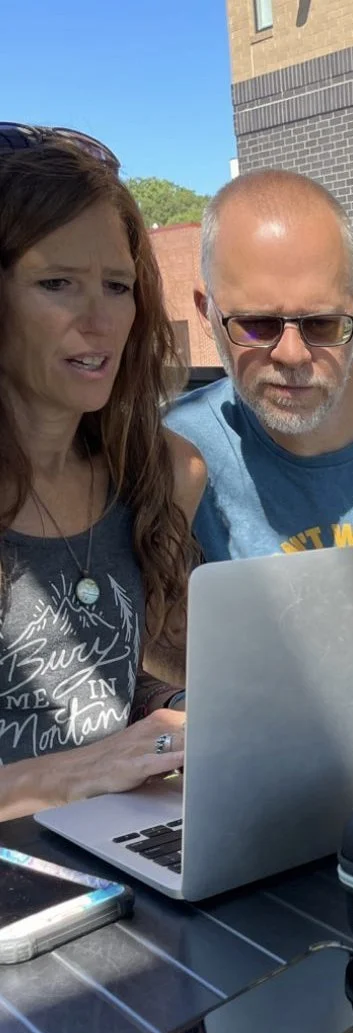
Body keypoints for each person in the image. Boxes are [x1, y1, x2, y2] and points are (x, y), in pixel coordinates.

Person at [0, 126, 206, 823]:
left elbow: (99, 686)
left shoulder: (162, 475)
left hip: (121, 841)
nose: (100, 320)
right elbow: (80, 756)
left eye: (117, 286)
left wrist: (179, 716)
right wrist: (73, 774)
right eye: (57, 283)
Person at [165, 169, 353, 561]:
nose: (292, 354)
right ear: (206, 313)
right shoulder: (168, 451)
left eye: (322, 324)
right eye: (257, 325)